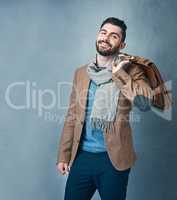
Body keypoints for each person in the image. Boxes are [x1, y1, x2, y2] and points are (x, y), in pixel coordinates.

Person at [56, 17, 168, 200]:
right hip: (81, 158)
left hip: (113, 160)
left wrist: (119, 73)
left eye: (114, 36)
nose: (106, 38)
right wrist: (64, 155)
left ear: (122, 44)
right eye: (103, 33)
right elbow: (72, 115)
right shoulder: (81, 72)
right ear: (97, 36)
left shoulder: (132, 71)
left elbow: (144, 102)